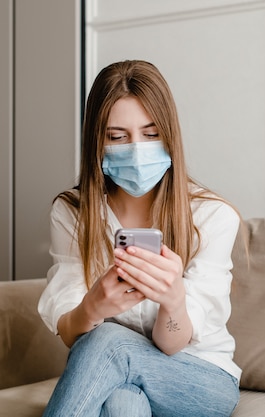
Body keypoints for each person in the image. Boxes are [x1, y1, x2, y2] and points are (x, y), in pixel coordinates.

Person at [38, 60, 242, 417]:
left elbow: (171, 343)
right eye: (117, 137)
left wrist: (174, 301)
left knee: (109, 342)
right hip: (114, 375)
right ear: (96, 143)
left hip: (200, 378)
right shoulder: (73, 213)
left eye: (150, 135)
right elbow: (71, 332)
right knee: (123, 403)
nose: (136, 150)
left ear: (170, 136)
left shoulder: (212, 217)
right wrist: (92, 308)